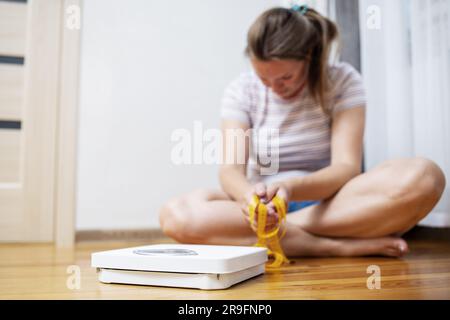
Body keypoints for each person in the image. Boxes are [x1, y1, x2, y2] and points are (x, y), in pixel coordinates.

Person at [159, 6, 446, 257]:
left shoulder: (343, 81)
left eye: (285, 77)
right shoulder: (241, 90)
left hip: (332, 203)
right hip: (263, 204)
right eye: (264, 77)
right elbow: (229, 172)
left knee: (425, 177)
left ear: (310, 57)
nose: (274, 87)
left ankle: (279, 234)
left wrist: (290, 189)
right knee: (176, 215)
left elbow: (346, 168)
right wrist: (249, 198)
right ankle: (330, 247)